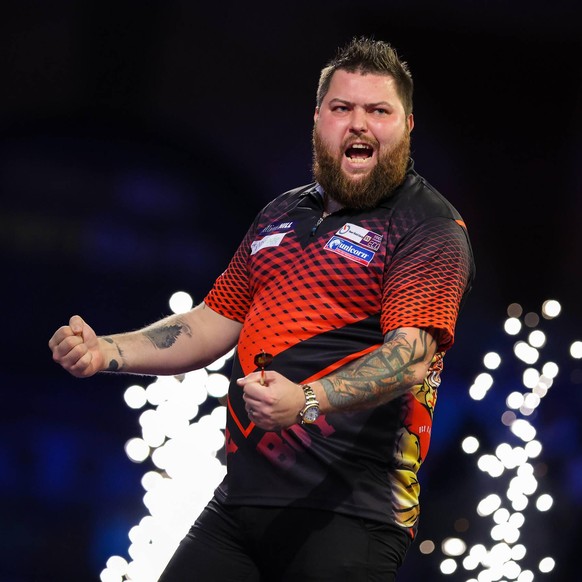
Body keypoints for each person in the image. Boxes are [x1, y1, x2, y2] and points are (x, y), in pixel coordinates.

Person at [49, 37, 475, 581]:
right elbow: (210, 320)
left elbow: (410, 357)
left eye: (378, 111)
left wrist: (307, 401)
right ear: (318, 119)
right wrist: (107, 351)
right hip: (241, 503)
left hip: (352, 514)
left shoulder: (428, 228)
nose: (359, 124)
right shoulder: (279, 216)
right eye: (342, 108)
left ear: (407, 127)